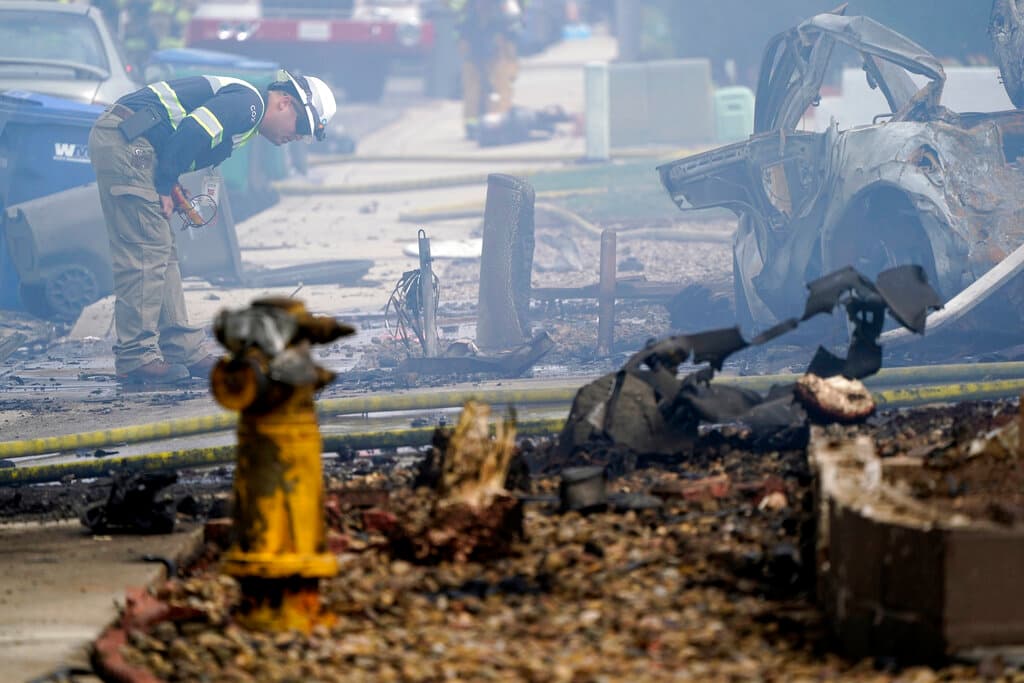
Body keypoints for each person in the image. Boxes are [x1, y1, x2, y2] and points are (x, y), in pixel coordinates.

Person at [88, 70, 337, 385]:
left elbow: (176, 133)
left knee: (162, 253)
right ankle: (136, 357)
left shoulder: (247, 109)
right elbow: (193, 130)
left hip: (137, 142)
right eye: (302, 126)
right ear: (285, 103)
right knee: (145, 250)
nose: (299, 137)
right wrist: (164, 182)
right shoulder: (250, 105)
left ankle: (181, 349)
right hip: (128, 141)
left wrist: (171, 182)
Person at [450, 0, 524, 140]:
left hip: (491, 33)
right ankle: (485, 125)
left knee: (495, 84)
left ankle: (489, 124)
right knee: (487, 84)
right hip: (477, 33)